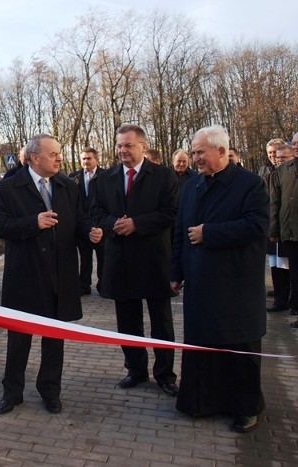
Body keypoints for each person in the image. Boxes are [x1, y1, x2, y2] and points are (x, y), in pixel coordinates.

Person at [0, 134, 103, 415]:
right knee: (19, 339)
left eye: (59, 153)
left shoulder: (68, 186)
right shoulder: (9, 187)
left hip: (60, 276)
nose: (60, 158)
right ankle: (12, 392)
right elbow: (1, 226)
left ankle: (50, 391)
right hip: (25, 277)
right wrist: (33, 223)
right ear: (34, 158)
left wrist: (89, 232)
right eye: (53, 154)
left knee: (54, 339)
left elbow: (79, 220)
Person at [171, 125, 268, 433]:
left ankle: (244, 408)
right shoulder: (191, 186)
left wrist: (209, 233)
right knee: (202, 347)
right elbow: (180, 233)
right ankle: (200, 402)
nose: (195, 157)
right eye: (194, 151)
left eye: (201, 152)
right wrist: (175, 272)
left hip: (236, 285)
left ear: (222, 151)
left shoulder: (250, 184)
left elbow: (256, 226)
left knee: (238, 348)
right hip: (200, 284)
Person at [90, 124, 179, 397]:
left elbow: (172, 212)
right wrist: (113, 223)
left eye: (128, 145)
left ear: (142, 146)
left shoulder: (163, 176)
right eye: (119, 146)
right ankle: (135, 369)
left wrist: (137, 224)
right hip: (120, 259)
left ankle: (165, 374)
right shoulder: (105, 178)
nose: (122, 150)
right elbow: (94, 211)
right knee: (127, 321)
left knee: (161, 321)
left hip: (154, 260)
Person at [270, 141, 298, 327]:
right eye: (295, 143)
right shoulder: (281, 171)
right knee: (295, 273)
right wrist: (274, 229)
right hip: (290, 232)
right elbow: (275, 202)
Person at [71, 147, 105, 295]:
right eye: (83, 158)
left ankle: (103, 285)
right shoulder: (74, 178)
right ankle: (84, 285)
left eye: (89, 158)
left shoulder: (105, 176)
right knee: (85, 257)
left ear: (96, 160)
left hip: (100, 224)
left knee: (102, 256)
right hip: (82, 225)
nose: (86, 161)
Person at [262, 139, 290, 311]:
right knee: (275, 263)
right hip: (271, 223)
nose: (274, 156)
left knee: (286, 264)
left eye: (276, 153)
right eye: (271, 153)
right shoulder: (266, 171)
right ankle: (280, 296)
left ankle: (288, 298)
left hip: (285, 224)